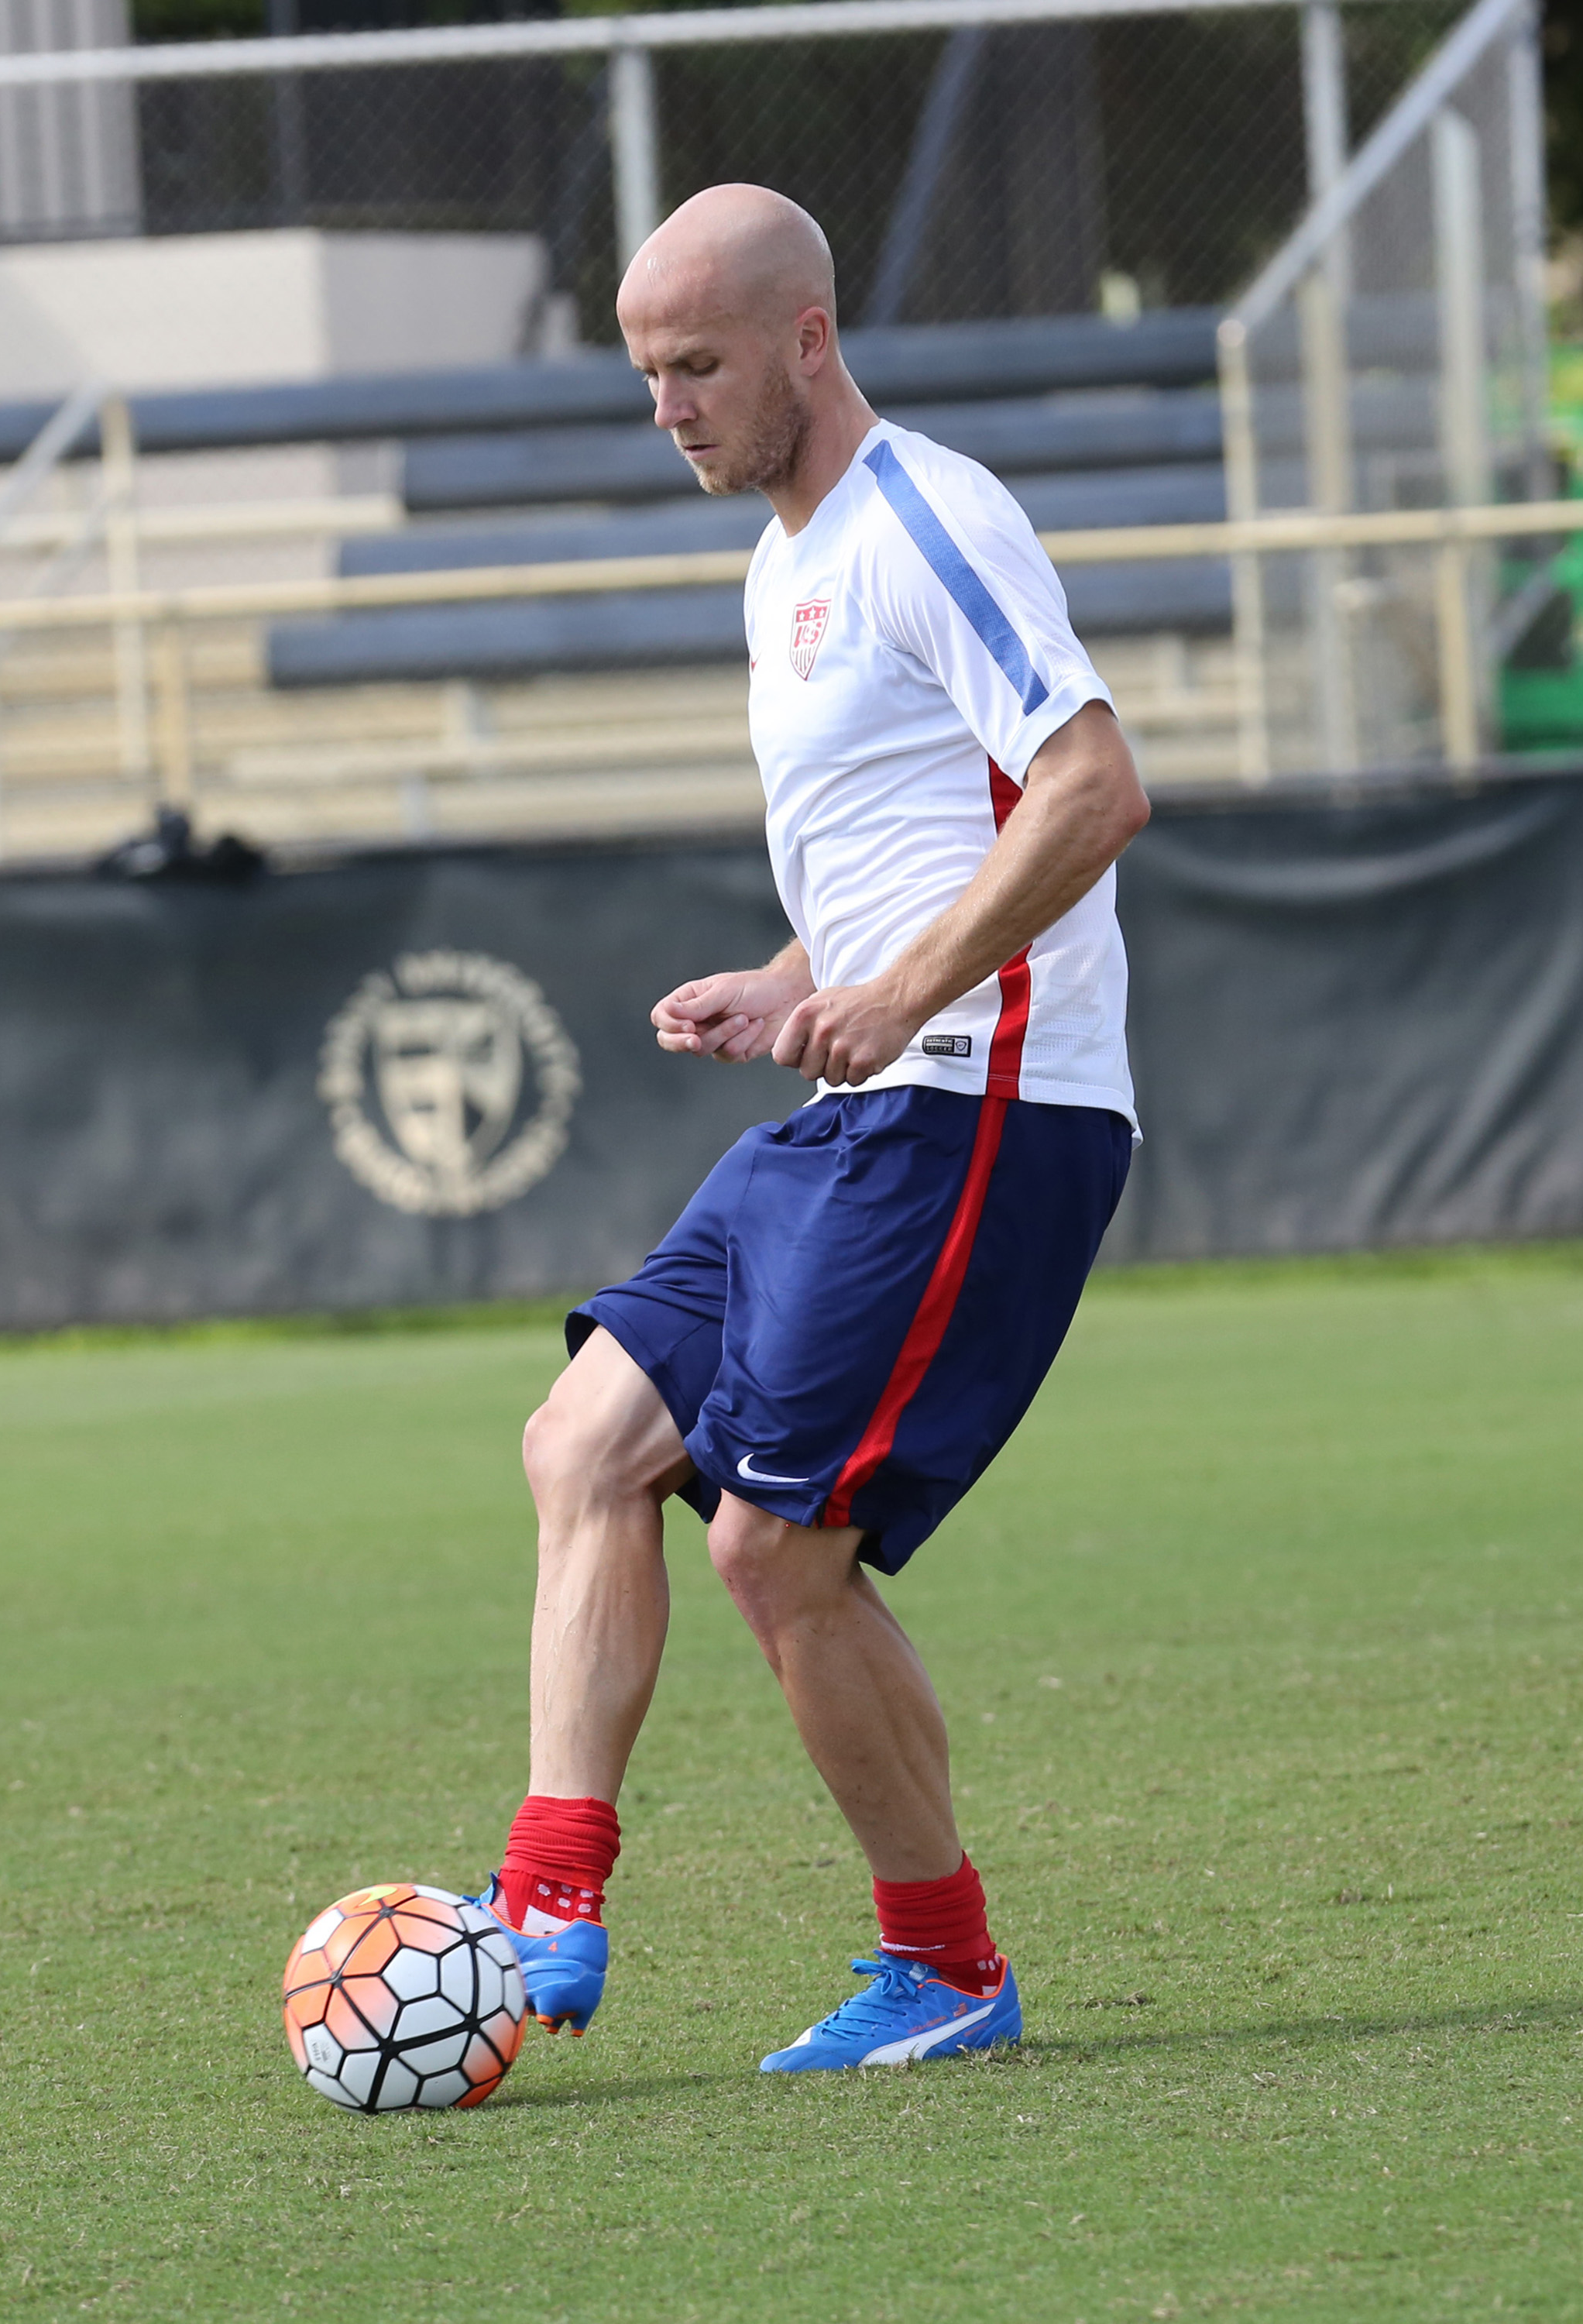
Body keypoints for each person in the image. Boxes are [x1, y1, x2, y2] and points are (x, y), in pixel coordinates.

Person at [471, 184, 1149, 2072]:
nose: (668, 405)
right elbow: (923, 841)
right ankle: (544, 1903)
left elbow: (1090, 788)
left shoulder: (928, 517)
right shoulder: (782, 561)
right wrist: (797, 979)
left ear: (805, 341)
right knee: (584, 1441)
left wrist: (901, 994)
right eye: (644, 372)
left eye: (696, 364)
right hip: (866, 1094)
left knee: (775, 1552)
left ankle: (945, 1967)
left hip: (983, 1106)